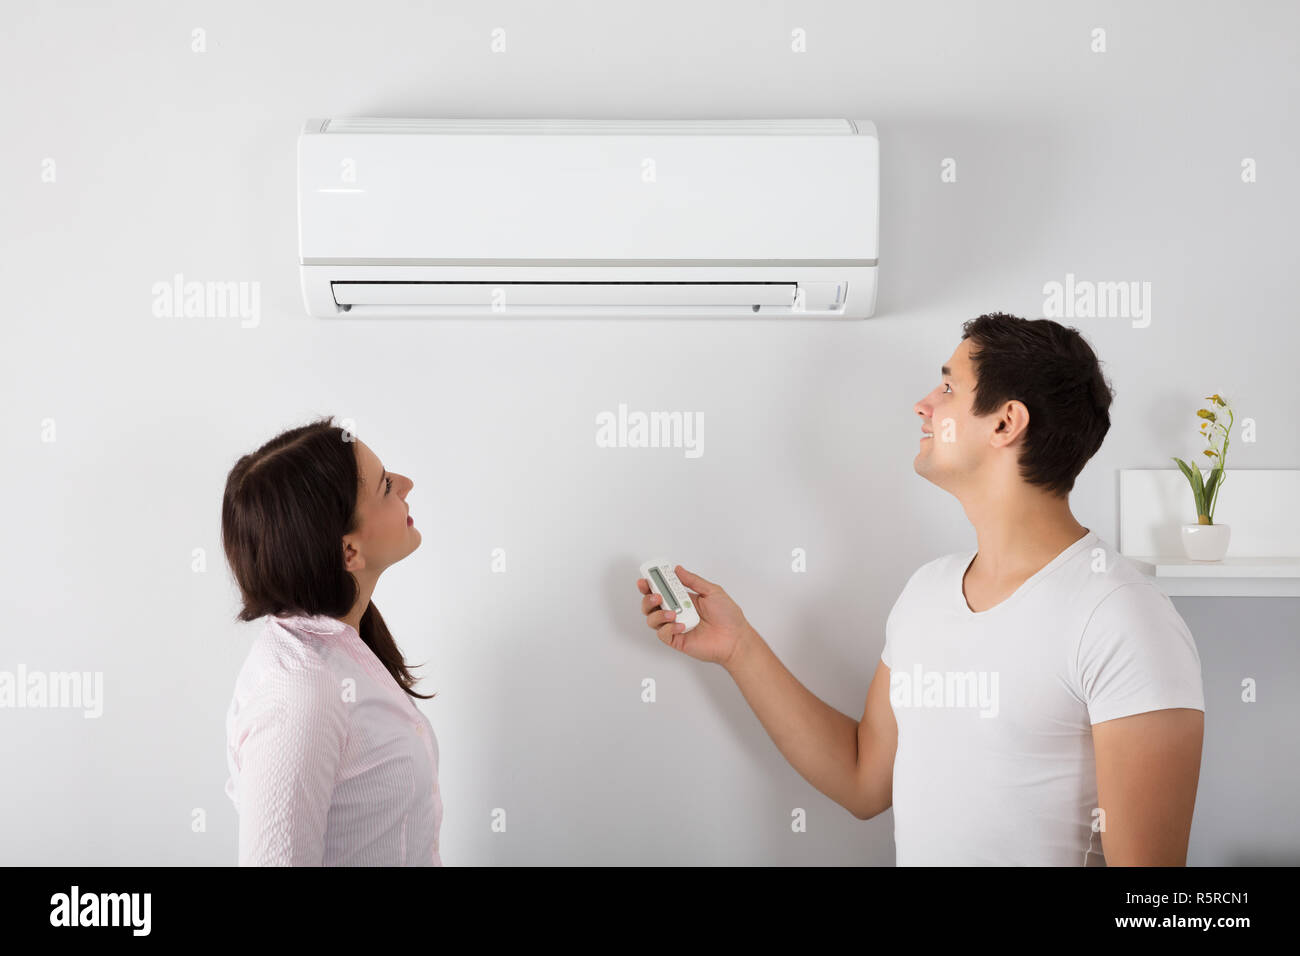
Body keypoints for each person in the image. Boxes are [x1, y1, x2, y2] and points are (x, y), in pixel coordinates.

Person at [636, 312, 1205, 866]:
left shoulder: (1123, 617)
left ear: (1005, 423)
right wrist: (741, 649)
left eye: (949, 387)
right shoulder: (926, 593)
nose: (923, 405)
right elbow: (864, 780)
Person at [221, 416, 442, 865]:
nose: (406, 483)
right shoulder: (300, 694)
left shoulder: (342, 646)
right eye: (384, 487)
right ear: (348, 553)